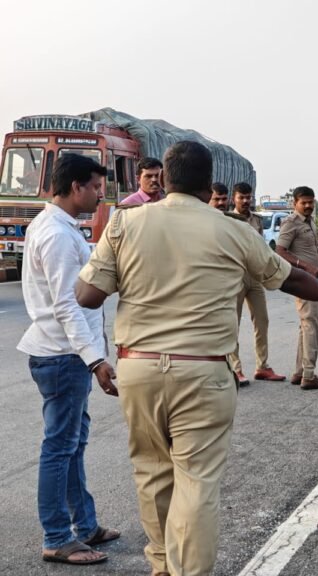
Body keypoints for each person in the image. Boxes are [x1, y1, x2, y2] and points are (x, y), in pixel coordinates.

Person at [75, 141, 318, 576]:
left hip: (138, 367)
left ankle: (162, 565)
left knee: (152, 473)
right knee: (195, 483)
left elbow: (87, 295)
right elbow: (289, 280)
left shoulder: (124, 223)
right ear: (208, 183)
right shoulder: (235, 231)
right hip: (204, 371)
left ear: (165, 178)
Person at [18, 153, 120, 566]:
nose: (100, 195)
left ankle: (85, 525)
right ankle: (58, 537)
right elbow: (66, 304)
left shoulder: (56, 226)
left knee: (73, 444)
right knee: (60, 448)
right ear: (75, 187)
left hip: (65, 353)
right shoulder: (57, 235)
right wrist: (95, 360)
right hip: (63, 356)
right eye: (95, 187)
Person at [276, 186, 318, 390]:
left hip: (313, 280)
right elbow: (280, 251)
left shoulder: (310, 222)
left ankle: (300, 372)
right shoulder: (291, 222)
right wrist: (305, 266)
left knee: (306, 324)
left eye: (310, 202)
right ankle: (309, 375)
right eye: (303, 202)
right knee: (311, 324)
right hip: (303, 281)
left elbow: (316, 254)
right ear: (294, 203)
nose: (307, 206)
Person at [230, 181, 285, 384]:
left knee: (262, 321)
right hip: (235, 277)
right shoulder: (227, 220)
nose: (245, 201)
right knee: (232, 324)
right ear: (234, 199)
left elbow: (261, 248)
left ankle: (262, 366)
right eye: (241, 197)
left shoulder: (257, 220)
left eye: (248, 197)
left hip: (255, 277)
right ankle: (235, 369)